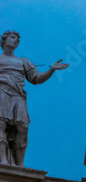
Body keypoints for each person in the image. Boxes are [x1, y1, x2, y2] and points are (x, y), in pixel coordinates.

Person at [0, 31, 66, 165]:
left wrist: (52, 70)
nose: (16, 41)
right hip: (1, 93)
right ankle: (3, 160)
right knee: (0, 125)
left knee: (23, 127)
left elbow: (37, 78)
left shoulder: (23, 61)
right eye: (13, 38)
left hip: (18, 96)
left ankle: (19, 164)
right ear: (4, 40)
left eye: (18, 40)